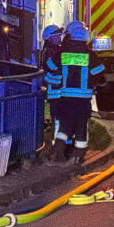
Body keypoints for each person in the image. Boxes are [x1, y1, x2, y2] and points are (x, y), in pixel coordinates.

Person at [44, 20, 105, 165]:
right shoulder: (90, 55)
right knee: (81, 127)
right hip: (83, 100)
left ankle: (57, 152)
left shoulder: (62, 53)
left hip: (65, 98)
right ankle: (78, 156)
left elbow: (49, 65)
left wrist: (56, 76)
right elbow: (100, 74)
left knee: (64, 126)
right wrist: (101, 83)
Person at [39, 24, 64, 159]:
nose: (59, 37)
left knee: (60, 118)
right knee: (57, 118)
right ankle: (56, 146)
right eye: (57, 36)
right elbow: (53, 67)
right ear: (49, 38)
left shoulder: (55, 50)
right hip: (54, 91)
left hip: (58, 90)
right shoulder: (48, 52)